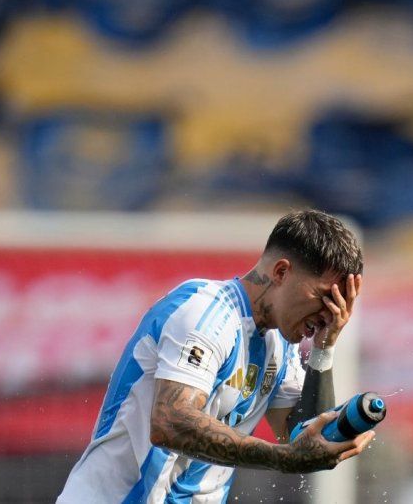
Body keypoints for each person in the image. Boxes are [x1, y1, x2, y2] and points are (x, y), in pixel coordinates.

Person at [57, 209, 372, 503]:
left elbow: (302, 437)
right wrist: (282, 458)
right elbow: (171, 422)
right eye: (324, 297)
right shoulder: (205, 312)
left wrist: (324, 348)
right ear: (280, 272)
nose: (330, 313)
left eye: (339, 302)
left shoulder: (282, 345)